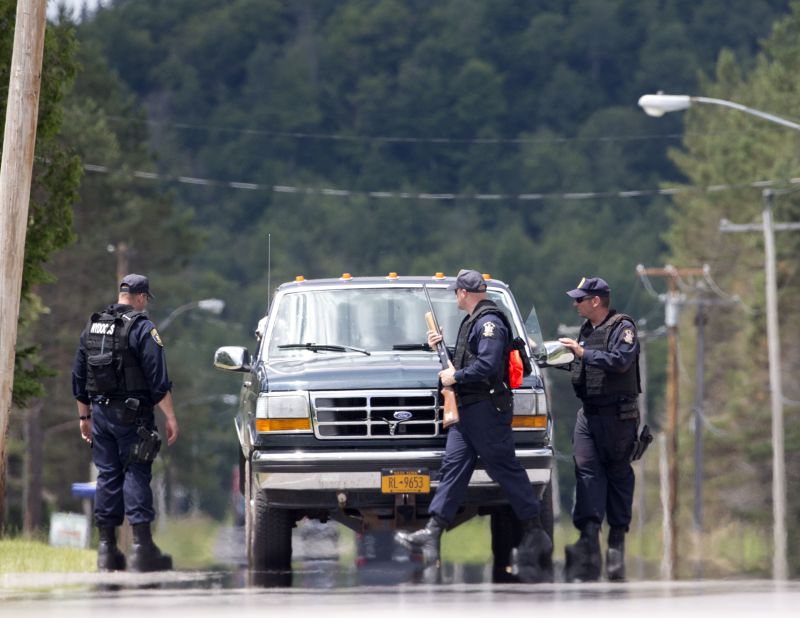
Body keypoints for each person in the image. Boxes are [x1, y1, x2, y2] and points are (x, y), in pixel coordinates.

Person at [395, 269, 552, 583]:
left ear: (464, 293)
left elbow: (488, 365)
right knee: (452, 468)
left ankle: (535, 532)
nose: (456, 297)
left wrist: (456, 377)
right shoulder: (474, 321)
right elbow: (470, 360)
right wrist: (442, 350)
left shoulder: (488, 322)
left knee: (504, 468)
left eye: (456, 292)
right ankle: (434, 530)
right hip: (469, 411)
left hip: (486, 410)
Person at [72, 274, 179, 572]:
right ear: (141, 297)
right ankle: (141, 548)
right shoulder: (143, 328)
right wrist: (170, 416)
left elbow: (79, 376)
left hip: (100, 415)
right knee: (136, 471)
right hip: (133, 415)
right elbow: (158, 380)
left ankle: (106, 550)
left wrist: (84, 416)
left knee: (107, 475)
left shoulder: (92, 326)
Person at [558, 276, 641, 582]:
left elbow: (619, 361)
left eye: (580, 299)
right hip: (588, 413)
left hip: (617, 415)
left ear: (596, 301)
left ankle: (616, 549)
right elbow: (583, 365)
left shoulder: (623, 328)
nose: (574, 304)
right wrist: (557, 357)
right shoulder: (586, 330)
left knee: (617, 475)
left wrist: (581, 354)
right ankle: (589, 546)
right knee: (586, 473)